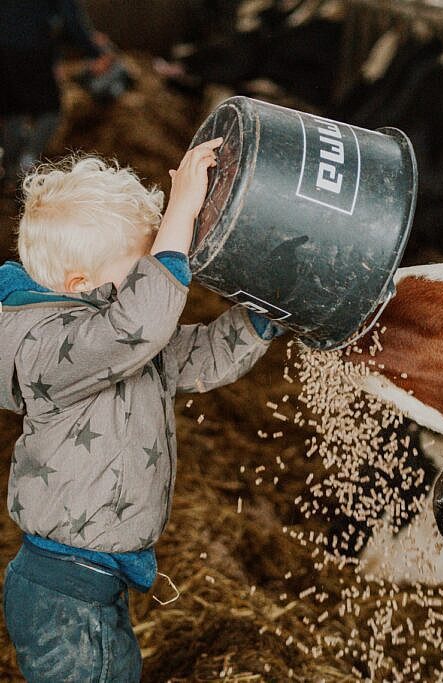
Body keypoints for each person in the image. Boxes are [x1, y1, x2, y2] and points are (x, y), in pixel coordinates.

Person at [0, 139, 285, 681]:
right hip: (64, 595)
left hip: (99, 578)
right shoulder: (52, 351)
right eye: (139, 270)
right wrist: (180, 213)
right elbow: (143, 322)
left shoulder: (120, 337)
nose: (150, 283)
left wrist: (259, 319)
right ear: (79, 286)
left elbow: (197, 354)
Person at [0, 0, 113, 188]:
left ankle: (10, 169)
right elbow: (70, 21)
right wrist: (96, 52)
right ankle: (26, 163)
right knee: (52, 111)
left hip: (4, 49)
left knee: (13, 110)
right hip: (33, 50)